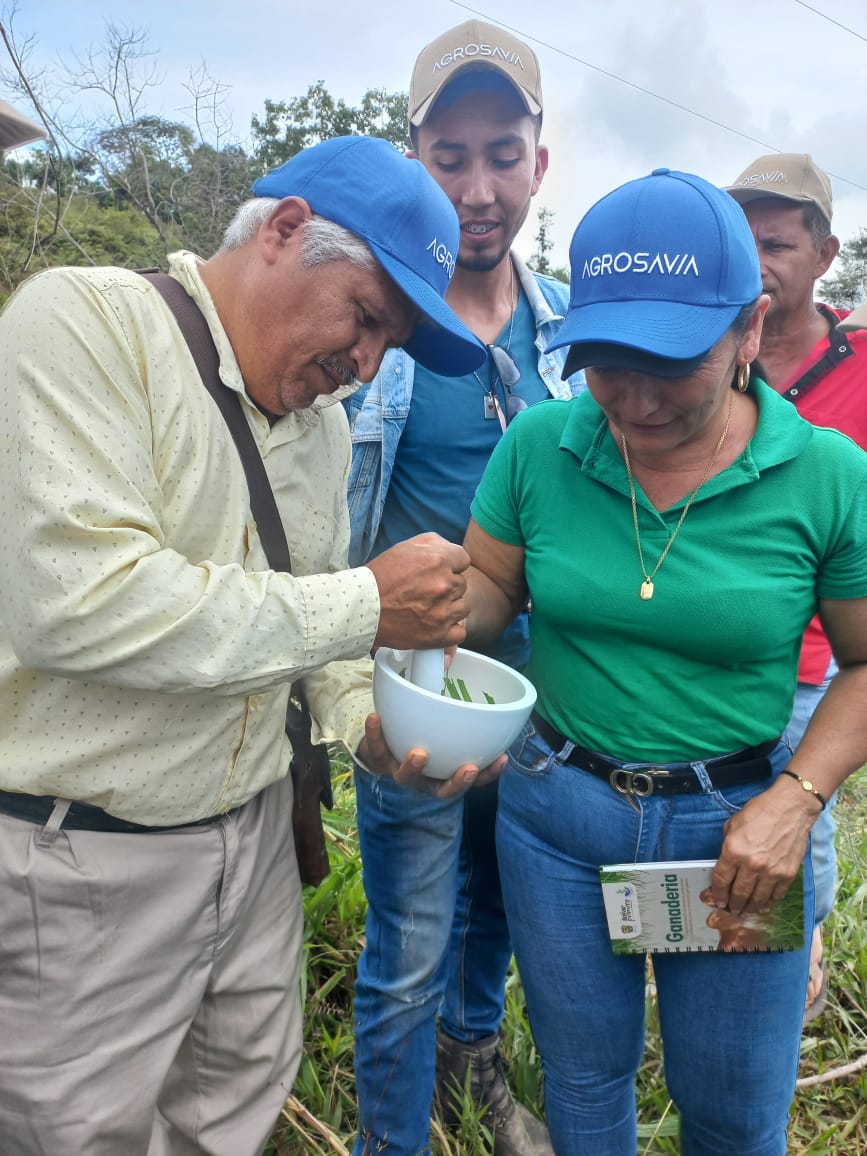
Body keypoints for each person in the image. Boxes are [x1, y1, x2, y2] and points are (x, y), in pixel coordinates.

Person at [0, 134, 497, 1156]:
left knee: (233, 1103)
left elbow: (309, 635)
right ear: (281, 232)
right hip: (86, 849)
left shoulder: (322, 429)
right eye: (364, 317)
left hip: (260, 834)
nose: (363, 363)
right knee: (73, 1129)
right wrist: (365, 602)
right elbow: (76, 597)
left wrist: (370, 723)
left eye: (387, 345)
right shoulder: (88, 323)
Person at [461, 167, 867, 1155]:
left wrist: (796, 801)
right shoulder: (542, 448)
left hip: (737, 842)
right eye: (604, 361)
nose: (634, 400)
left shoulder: (827, 477)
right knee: (585, 1085)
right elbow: (486, 598)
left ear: (750, 330)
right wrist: (409, 615)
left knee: (732, 1110)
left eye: (671, 362)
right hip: (560, 820)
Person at [344, 20, 581, 1156]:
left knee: (491, 919)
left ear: (543, 159)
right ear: (415, 160)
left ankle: (471, 1068)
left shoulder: (582, 338)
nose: (479, 188)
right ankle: (392, 1136)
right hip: (415, 701)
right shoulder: (374, 333)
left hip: (549, 706)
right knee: (405, 947)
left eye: (504, 152)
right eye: (451, 156)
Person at [725, 152, 867, 1023]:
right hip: (723, 638)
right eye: (742, 244)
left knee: (798, 807)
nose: (757, 263)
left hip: (819, 654)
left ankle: (795, 968)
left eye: (775, 243)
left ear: (823, 252)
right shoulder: (707, 357)